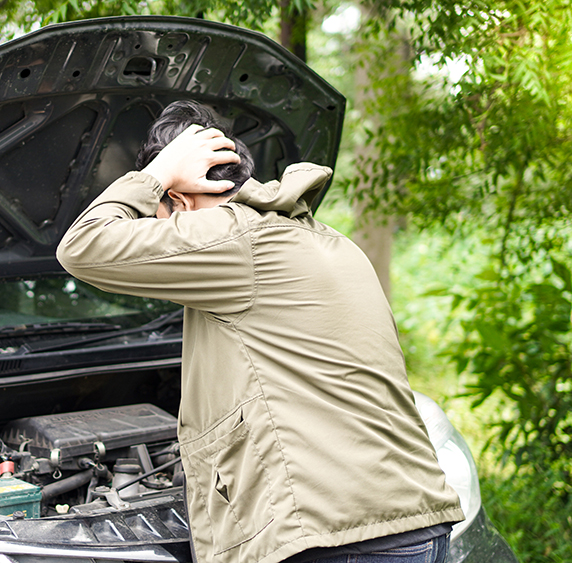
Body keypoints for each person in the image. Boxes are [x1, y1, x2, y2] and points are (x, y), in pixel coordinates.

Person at [56, 101, 464, 563]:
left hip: (336, 539)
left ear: (181, 196)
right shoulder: (325, 239)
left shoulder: (232, 238)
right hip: (411, 526)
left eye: (157, 212)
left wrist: (159, 170)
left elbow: (82, 247)